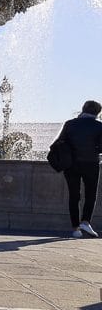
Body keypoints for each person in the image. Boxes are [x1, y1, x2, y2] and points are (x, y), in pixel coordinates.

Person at [53, 100, 102, 238]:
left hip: (71, 164)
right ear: (98, 112)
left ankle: (75, 229)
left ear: (83, 109)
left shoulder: (70, 124)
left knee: (74, 195)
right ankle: (85, 222)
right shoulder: (99, 126)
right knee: (91, 194)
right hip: (91, 163)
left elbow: (60, 142)